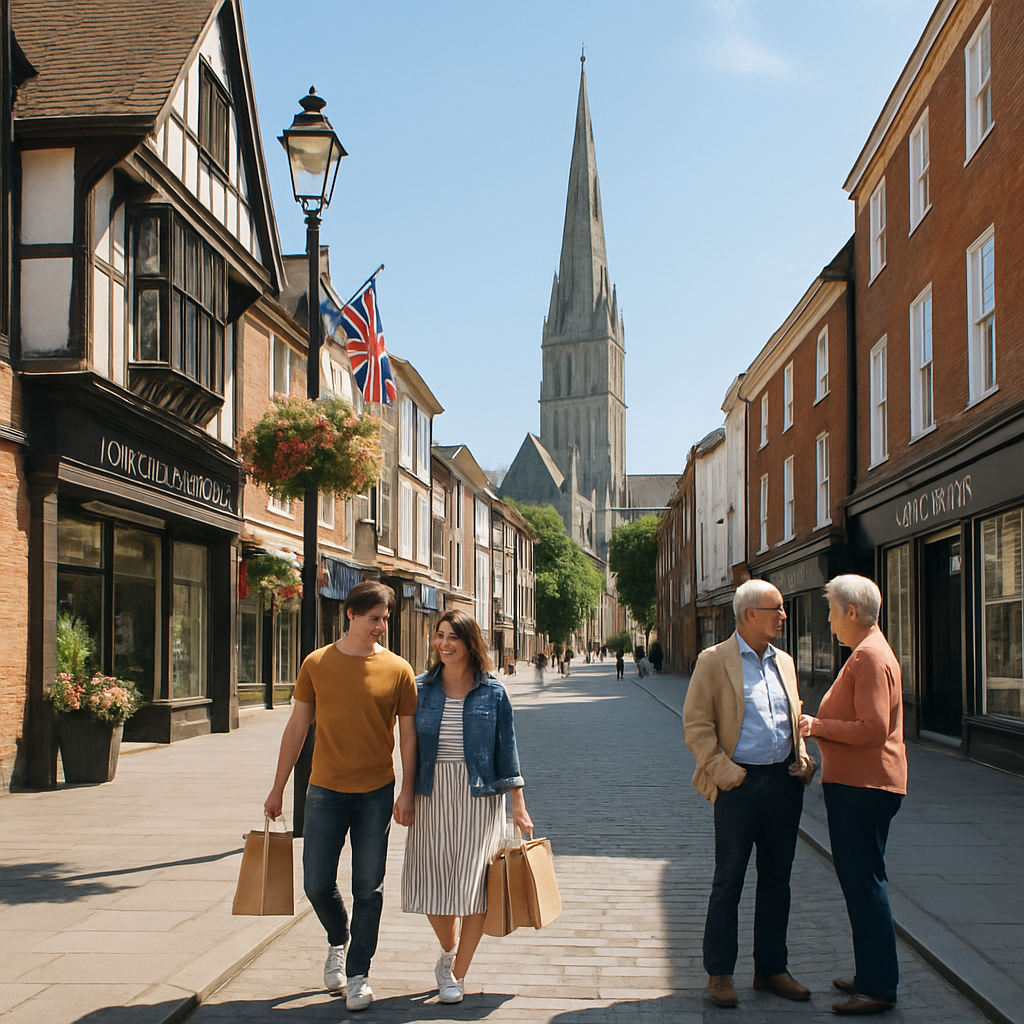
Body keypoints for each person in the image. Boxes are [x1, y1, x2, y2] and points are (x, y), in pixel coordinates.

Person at [264, 581, 417, 1013]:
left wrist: (406, 790)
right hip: (325, 791)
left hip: (375, 792)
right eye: (375, 619)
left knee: (369, 888)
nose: (382, 627)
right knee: (315, 883)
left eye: (386, 619)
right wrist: (277, 788)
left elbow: (408, 737)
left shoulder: (399, 670)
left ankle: (358, 974)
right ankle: (338, 938)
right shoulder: (316, 663)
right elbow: (297, 728)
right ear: (350, 615)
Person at [683, 579, 817, 1009]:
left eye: (782, 608)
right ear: (748, 615)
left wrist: (804, 758)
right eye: (775, 608)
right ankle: (720, 973)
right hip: (738, 786)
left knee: (778, 880)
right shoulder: (714, 660)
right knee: (729, 879)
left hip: (783, 784)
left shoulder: (786, 662)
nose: (782, 615)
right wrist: (725, 772)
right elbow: (697, 725)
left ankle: (772, 969)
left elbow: (792, 719)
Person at [401, 610, 533, 1004]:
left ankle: (456, 974)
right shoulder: (420, 688)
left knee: (476, 886)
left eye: (452, 637)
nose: (444, 644)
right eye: (439, 636)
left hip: (480, 796)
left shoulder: (493, 692)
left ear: (470, 643)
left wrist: (519, 806)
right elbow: (408, 747)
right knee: (432, 881)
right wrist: (405, 793)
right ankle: (448, 950)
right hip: (431, 793)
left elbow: (507, 751)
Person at [798, 575, 908, 1016]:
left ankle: (878, 986)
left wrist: (817, 726)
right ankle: (871, 974)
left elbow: (874, 728)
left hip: (865, 787)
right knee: (862, 883)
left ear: (851, 612)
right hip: (860, 786)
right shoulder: (866, 652)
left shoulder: (867, 657)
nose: (827, 620)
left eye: (831, 610)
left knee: (865, 886)